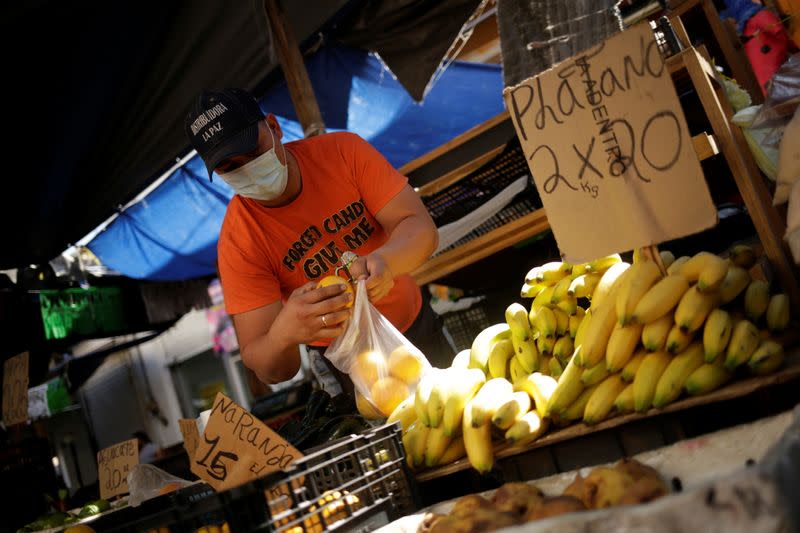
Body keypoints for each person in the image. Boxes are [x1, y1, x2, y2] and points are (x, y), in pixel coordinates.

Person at [184, 88, 452, 395]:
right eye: (229, 168)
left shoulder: (342, 152)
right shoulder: (239, 242)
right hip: (349, 370)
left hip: (418, 327)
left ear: (274, 127)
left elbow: (422, 230)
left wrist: (386, 262)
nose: (247, 169)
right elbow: (272, 368)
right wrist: (284, 333)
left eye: (254, 151)